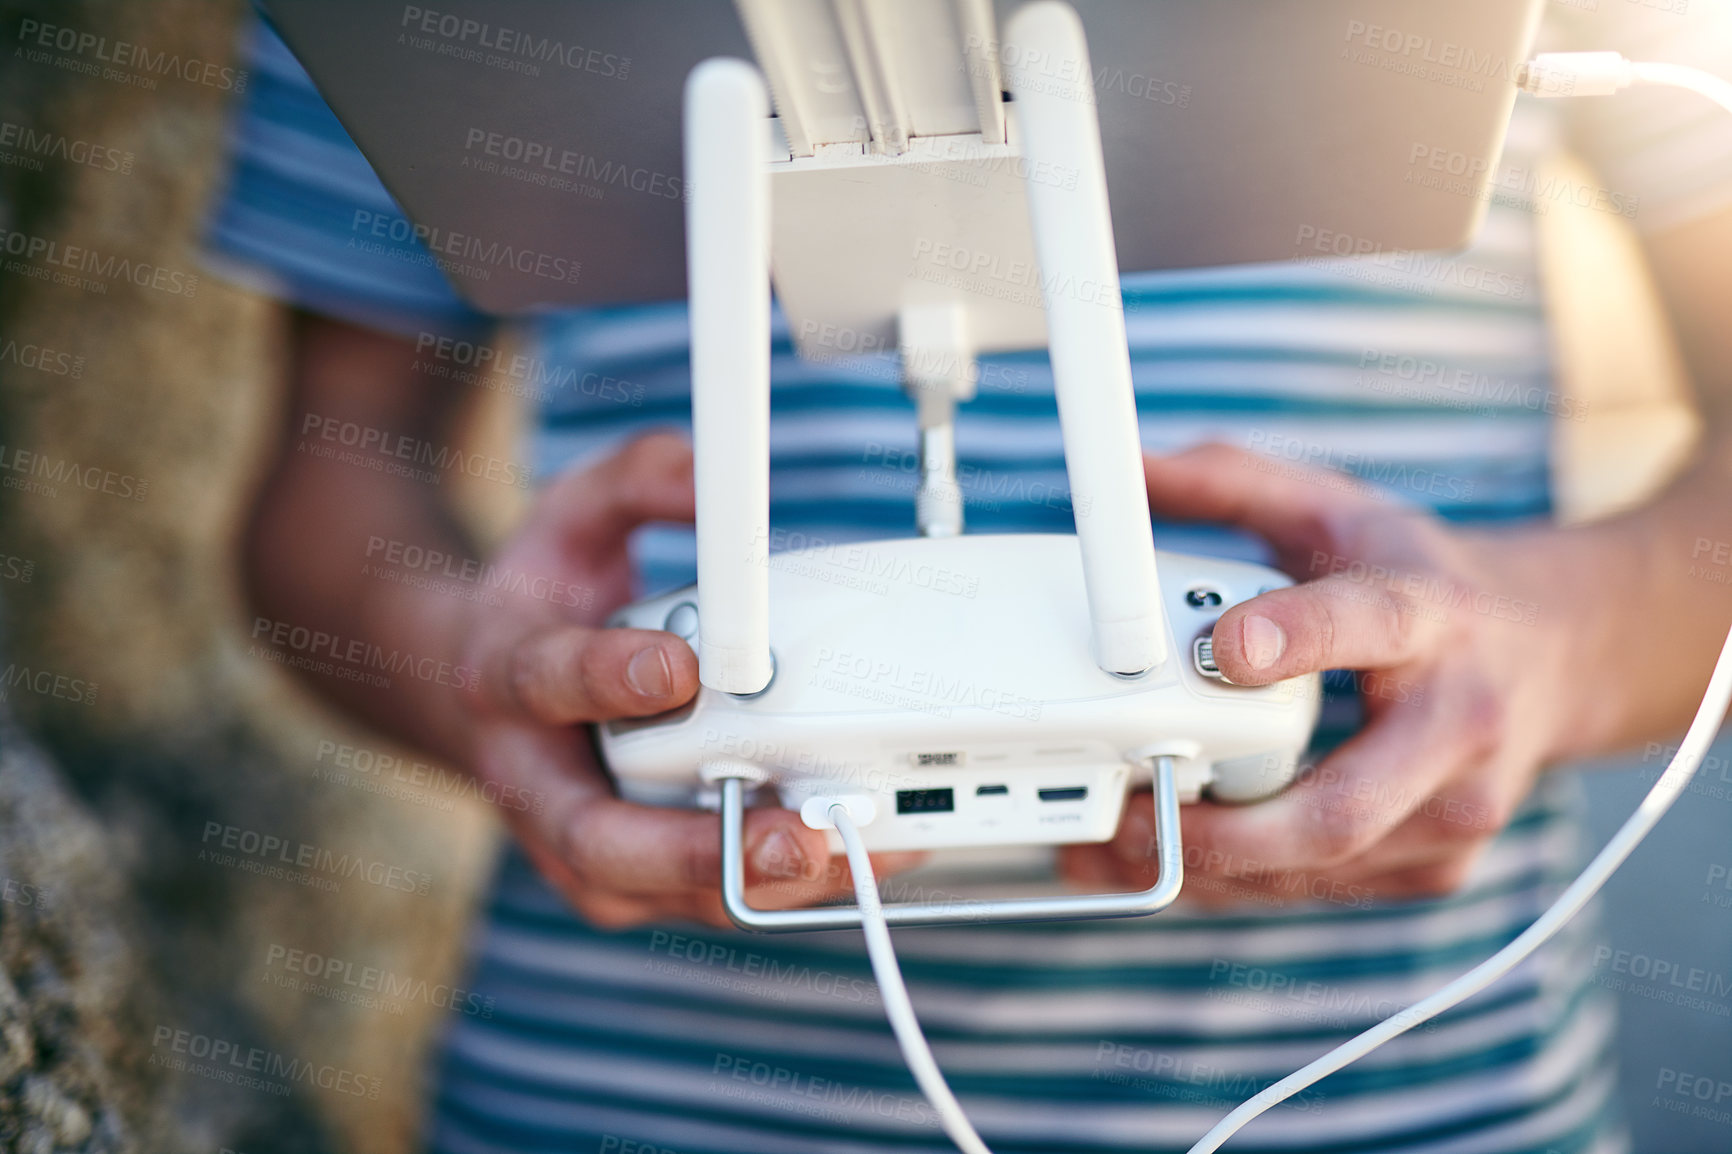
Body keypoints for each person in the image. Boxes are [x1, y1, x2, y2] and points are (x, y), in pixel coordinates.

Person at [215, 6, 1732, 1152]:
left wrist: (1540, 643)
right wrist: (469, 667)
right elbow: (329, 478)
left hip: (1391, 1092)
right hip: (623, 1094)